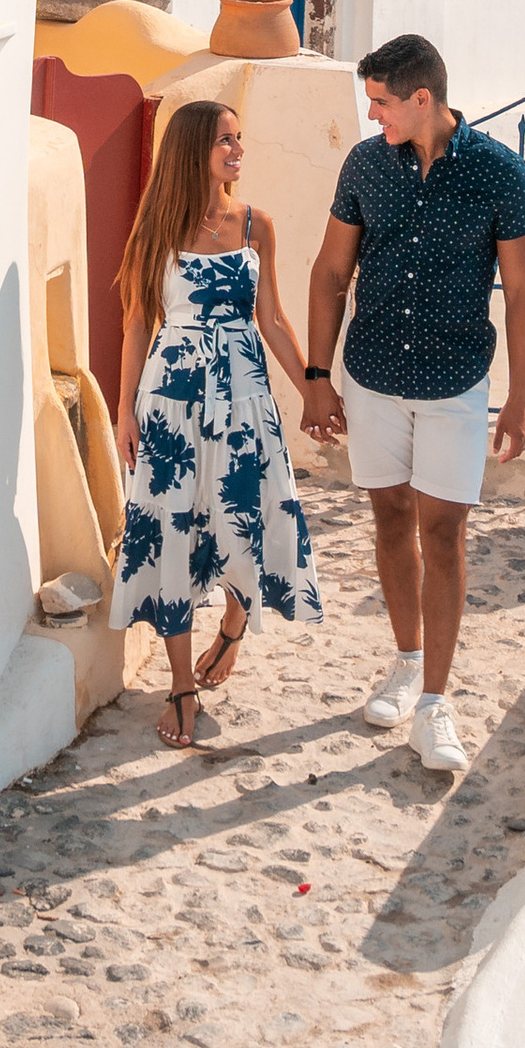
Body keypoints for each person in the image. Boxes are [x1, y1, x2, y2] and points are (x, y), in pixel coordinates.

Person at [301, 36, 525, 778]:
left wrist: (520, 399)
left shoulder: (500, 174)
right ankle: (406, 664)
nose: (372, 116)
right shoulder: (367, 166)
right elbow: (331, 271)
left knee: (443, 536)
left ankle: (435, 704)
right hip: (371, 376)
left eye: (381, 102)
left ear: (423, 100)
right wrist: (317, 375)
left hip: (455, 386)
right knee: (389, 520)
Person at [112, 97, 320, 751]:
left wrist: (315, 387)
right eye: (224, 141)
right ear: (192, 150)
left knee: (245, 520)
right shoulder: (153, 232)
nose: (237, 150)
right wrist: (124, 409)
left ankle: (233, 623)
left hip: (245, 398)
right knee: (173, 531)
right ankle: (180, 683)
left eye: (239, 139)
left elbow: (275, 320)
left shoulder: (257, 226)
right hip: (172, 399)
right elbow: (137, 324)